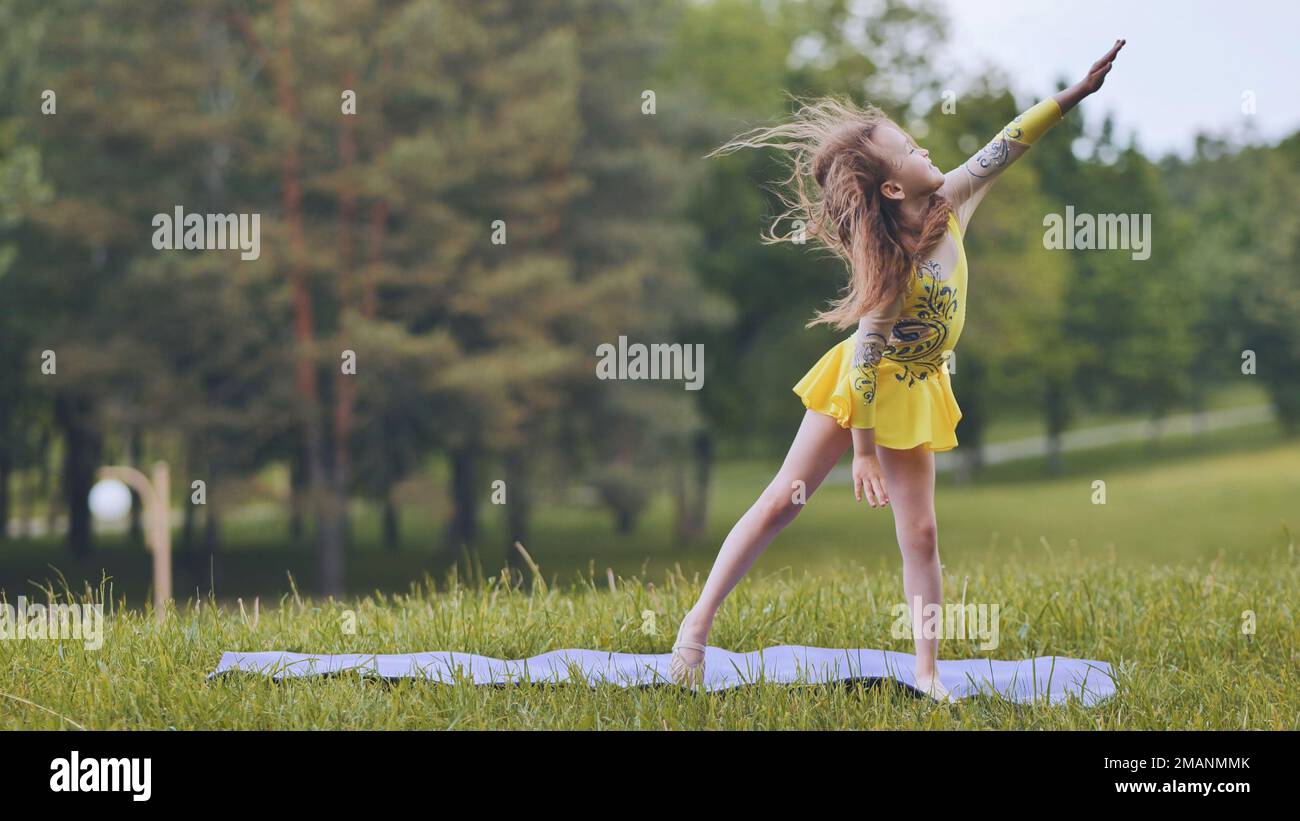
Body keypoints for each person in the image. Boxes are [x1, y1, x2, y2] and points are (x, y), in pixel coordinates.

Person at [670, 40, 1127, 699]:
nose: (927, 152)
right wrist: (861, 452)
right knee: (781, 502)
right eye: (911, 150)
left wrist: (1074, 95)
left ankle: (927, 670)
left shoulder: (956, 199)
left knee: (921, 530)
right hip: (860, 389)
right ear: (891, 185)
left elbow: (1007, 142)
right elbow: (864, 355)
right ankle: (695, 627)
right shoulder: (887, 266)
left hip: (917, 388)